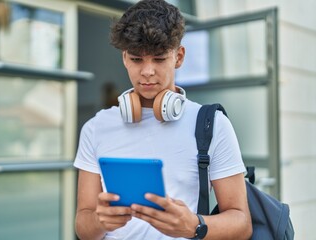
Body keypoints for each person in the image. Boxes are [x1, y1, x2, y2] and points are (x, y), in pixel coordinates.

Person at [74, 0, 252, 239]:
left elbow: (242, 224)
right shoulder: (96, 127)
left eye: (159, 59)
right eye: (137, 59)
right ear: (125, 58)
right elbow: (83, 227)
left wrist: (194, 225)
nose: (147, 71)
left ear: (178, 57)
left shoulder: (212, 124)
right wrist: (100, 221)